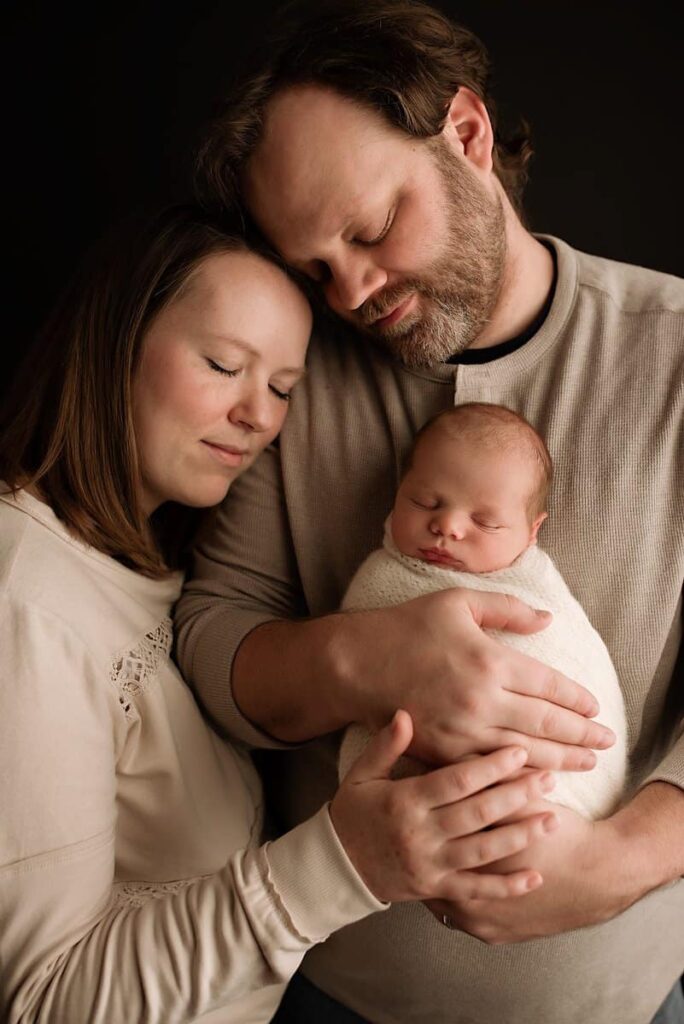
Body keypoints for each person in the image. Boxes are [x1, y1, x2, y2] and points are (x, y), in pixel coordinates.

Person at [176, 1, 684, 1021]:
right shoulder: (298, 373)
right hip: (328, 993)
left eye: (369, 228)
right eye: (317, 266)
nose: (353, 288)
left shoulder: (673, 354)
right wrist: (368, 660)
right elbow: (209, 635)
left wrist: (630, 855)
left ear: (468, 133)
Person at [0, 204, 563, 1024]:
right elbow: (42, 1003)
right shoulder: (27, 607)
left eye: (282, 389)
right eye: (225, 365)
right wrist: (342, 865)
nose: (259, 417)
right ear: (115, 341)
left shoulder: (146, 562)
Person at [338, 402, 628, 824]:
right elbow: (361, 644)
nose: (448, 526)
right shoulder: (385, 576)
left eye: (486, 522)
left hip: (554, 799)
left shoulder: (538, 589)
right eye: (425, 501)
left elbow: (573, 656)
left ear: (532, 532)